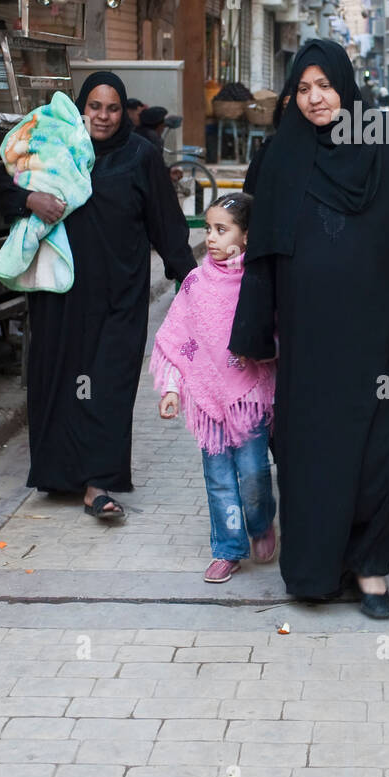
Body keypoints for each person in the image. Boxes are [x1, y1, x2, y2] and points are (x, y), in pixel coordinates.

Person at [229, 38, 389, 619]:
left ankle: (370, 572)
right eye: (303, 88)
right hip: (308, 341)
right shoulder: (278, 157)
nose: (316, 99)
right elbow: (259, 256)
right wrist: (248, 335)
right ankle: (315, 572)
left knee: (376, 450)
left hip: (383, 334)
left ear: (347, 86)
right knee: (309, 452)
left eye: (325, 86)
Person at [0, 71, 195, 520]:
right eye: (94, 107)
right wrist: (30, 200)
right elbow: (1, 177)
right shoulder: (53, 143)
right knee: (60, 380)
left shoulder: (140, 154)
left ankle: (99, 483)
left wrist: (192, 283)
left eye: (112, 108)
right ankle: (61, 474)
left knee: (108, 383)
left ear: (124, 112)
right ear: (81, 107)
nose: (103, 117)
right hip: (60, 293)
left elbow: (166, 222)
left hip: (119, 296)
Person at [152, 193, 277, 582]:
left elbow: (279, 334)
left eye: (222, 230)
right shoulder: (194, 284)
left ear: (246, 236)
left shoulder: (261, 282)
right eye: (208, 229)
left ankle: (260, 523)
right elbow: (177, 340)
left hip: (249, 399)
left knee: (254, 473)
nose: (211, 238)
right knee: (220, 479)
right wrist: (172, 389)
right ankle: (227, 549)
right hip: (207, 403)